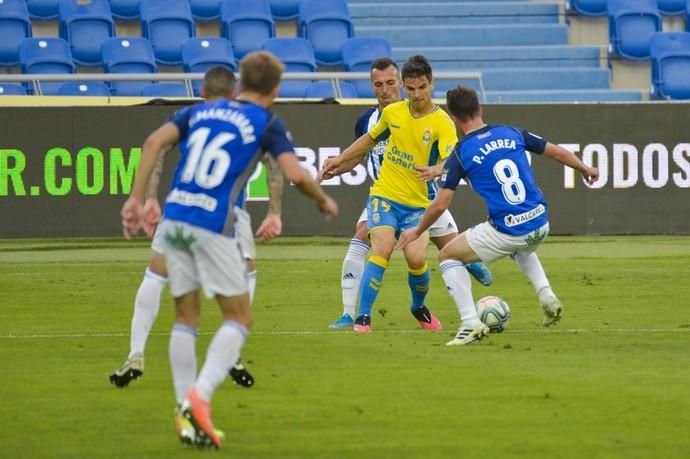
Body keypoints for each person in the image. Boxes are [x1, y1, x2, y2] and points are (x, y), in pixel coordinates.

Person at [120, 55, 338, 448]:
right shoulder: (268, 122)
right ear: (276, 89)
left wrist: (137, 200)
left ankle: (184, 414)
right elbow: (293, 172)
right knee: (238, 317)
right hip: (211, 225)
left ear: (238, 84)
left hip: (174, 219)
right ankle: (199, 399)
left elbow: (153, 143)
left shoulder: (198, 111)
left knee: (186, 319)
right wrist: (322, 200)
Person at [109, 69, 285, 390]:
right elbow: (277, 165)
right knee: (246, 272)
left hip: (182, 206)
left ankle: (135, 352)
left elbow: (157, 150)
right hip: (229, 213)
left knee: (156, 273)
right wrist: (274, 211)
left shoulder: (187, 115)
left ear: (202, 90)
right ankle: (231, 352)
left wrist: (149, 198)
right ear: (235, 92)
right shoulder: (253, 118)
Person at [396, 86, 599, 346]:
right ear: (480, 109)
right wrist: (584, 168)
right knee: (521, 246)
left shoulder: (461, 152)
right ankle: (547, 296)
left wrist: (416, 231)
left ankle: (469, 322)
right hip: (540, 221)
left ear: (454, 118)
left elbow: (439, 205)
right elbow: (557, 152)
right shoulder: (511, 132)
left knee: (447, 255)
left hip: (509, 230)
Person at [329, 57, 492, 329]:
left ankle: (459, 270)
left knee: (434, 252)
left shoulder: (440, 121)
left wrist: (437, 170)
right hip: (385, 192)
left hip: (423, 196)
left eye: (390, 83)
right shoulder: (372, 119)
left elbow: (452, 159)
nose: (385, 89)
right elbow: (362, 150)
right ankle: (354, 315)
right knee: (369, 240)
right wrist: (337, 163)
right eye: (378, 84)